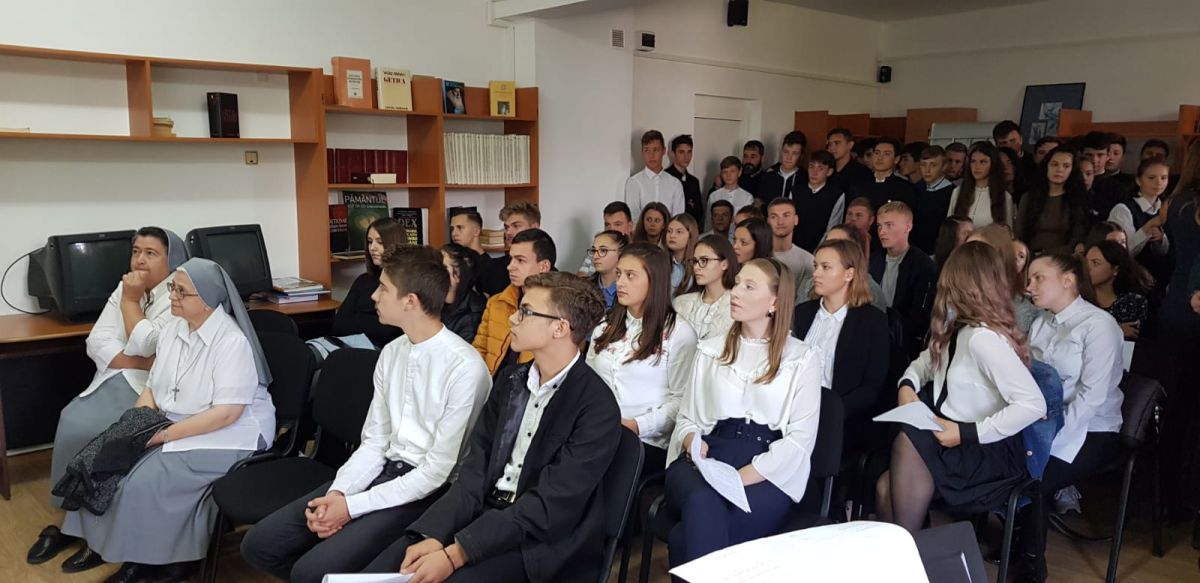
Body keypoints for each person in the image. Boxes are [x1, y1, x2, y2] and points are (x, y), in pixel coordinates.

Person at [241, 247, 491, 583]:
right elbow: (374, 441)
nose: (373, 296)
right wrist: (339, 494)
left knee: (310, 571)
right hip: (381, 470)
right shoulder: (392, 352)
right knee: (260, 544)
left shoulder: (465, 368)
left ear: (410, 301)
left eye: (384, 288)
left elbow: (435, 473)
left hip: (427, 492)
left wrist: (351, 507)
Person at [361, 272, 618, 583]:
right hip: (486, 512)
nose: (512, 319)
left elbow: (548, 506)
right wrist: (435, 534)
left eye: (525, 312)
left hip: (539, 541)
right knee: (389, 567)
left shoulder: (597, 407)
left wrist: (456, 553)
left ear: (560, 328)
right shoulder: (510, 381)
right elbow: (476, 468)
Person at [62, 258, 277, 583]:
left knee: (145, 480)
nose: (172, 296)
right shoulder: (174, 328)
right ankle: (104, 546)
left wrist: (163, 436)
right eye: (173, 288)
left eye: (182, 291)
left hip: (230, 433)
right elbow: (152, 386)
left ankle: (167, 561)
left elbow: (227, 413)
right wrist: (134, 423)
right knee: (107, 458)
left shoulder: (231, 342)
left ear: (207, 300)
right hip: (179, 422)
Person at [29, 227, 189, 573]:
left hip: (153, 390)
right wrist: (136, 358)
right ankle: (69, 519)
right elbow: (97, 340)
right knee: (71, 419)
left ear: (171, 259)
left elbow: (152, 345)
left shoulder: (178, 293)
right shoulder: (125, 286)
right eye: (136, 251)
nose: (140, 260)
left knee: (101, 434)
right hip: (119, 376)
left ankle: (96, 531)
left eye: (151, 253)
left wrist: (131, 304)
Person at [875, 242, 1046, 533]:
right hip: (952, 440)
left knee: (904, 447)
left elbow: (1033, 405)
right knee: (884, 487)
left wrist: (967, 433)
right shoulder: (958, 328)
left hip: (982, 450)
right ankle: (911, 553)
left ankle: (909, 552)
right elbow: (923, 363)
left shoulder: (983, 339)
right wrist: (907, 385)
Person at [666, 258, 820, 566]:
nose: (735, 292)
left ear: (774, 302)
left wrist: (737, 479)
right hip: (706, 457)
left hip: (767, 468)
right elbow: (687, 418)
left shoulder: (802, 358)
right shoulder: (710, 349)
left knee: (684, 536)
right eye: (737, 283)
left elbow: (799, 440)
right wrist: (693, 441)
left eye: (749, 287)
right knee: (703, 500)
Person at [1019, 253, 1124, 583]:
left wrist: (1049, 440)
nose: (1029, 286)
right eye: (1029, 279)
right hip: (1044, 422)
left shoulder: (1098, 325)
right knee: (1001, 460)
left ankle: (1031, 566)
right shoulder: (1041, 323)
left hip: (1093, 428)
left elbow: (1091, 398)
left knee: (1034, 478)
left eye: (1039, 278)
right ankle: (1014, 540)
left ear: (1068, 281)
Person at [588, 243, 697, 472]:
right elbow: (587, 380)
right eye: (619, 274)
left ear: (654, 280)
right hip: (599, 429)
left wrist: (636, 425)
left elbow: (682, 401)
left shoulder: (679, 333)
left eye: (630, 275)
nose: (620, 282)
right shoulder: (605, 326)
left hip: (645, 439)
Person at [794, 239, 889, 429]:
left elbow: (872, 387)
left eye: (826, 267)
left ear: (849, 274)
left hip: (841, 419)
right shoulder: (801, 313)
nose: (816, 273)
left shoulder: (872, 321)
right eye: (816, 266)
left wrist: (832, 412)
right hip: (794, 410)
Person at [473, 228, 555, 376]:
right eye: (511, 259)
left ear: (544, 266)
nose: (510, 266)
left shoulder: (558, 311)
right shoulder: (496, 302)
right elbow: (479, 350)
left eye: (520, 260)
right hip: (491, 383)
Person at [870, 202, 937, 358]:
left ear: (908, 227)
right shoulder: (873, 261)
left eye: (889, 225)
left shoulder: (923, 266)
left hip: (904, 345)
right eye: (879, 226)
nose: (882, 231)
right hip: (873, 334)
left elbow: (920, 317)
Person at [330, 217, 408, 348]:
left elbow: (390, 331)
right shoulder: (363, 280)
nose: (372, 248)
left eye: (380, 242)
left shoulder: (406, 282)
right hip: (346, 344)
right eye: (370, 242)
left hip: (377, 350)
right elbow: (338, 325)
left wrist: (358, 319)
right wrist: (370, 323)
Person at [968, 224, 1042, 334]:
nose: (968, 259)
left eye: (1021, 256)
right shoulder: (958, 295)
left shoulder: (1026, 309)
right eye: (966, 251)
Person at [1015, 147, 1089, 254]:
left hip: (1063, 257)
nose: (1059, 170)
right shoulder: (1029, 198)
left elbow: (1077, 239)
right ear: (1046, 167)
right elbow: (1018, 234)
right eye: (1054, 164)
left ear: (1072, 170)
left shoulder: (1077, 200)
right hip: (1030, 256)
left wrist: (1047, 254)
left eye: (1066, 166)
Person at [673, 235, 738, 341]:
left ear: (724, 264)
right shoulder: (681, 303)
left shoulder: (737, 305)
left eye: (704, 260)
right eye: (695, 261)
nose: (696, 267)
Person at [1086, 240, 1153, 340]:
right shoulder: (1076, 298)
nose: (1087, 268)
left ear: (1116, 270)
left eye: (1095, 263)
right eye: (1085, 262)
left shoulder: (1132, 303)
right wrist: (1115, 329)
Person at [1109, 156, 1171, 258]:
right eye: (1151, 178)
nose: (1159, 182)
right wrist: (1148, 227)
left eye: (1163, 178)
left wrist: (1161, 239)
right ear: (1138, 180)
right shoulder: (1123, 210)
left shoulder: (1165, 207)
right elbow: (1121, 252)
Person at [477, 202, 541, 296]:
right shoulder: (494, 267)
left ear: (534, 228)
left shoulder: (550, 275)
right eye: (506, 227)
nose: (508, 232)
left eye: (516, 226)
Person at [823, 225, 889, 313]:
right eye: (826, 244)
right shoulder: (813, 283)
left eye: (838, 245)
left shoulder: (870, 291)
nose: (828, 250)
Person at [792, 149, 846, 253]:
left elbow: (832, 228)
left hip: (820, 250)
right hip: (794, 248)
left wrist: (819, 251)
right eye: (811, 166)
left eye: (820, 168)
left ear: (829, 172)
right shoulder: (796, 191)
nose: (814, 172)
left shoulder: (836, 195)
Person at [948, 141, 1013, 228]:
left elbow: (1007, 231)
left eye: (983, 162)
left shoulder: (1004, 196)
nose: (977, 166)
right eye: (973, 161)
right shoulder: (957, 192)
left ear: (993, 164)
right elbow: (949, 228)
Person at [626, 129, 684, 218]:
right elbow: (634, 217)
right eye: (647, 150)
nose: (651, 155)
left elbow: (678, 218)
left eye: (656, 150)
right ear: (642, 152)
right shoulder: (634, 182)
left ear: (664, 151)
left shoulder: (675, 184)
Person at [913, 145, 957, 254]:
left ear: (944, 166)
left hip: (938, 250)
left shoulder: (953, 193)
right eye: (923, 165)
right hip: (915, 249)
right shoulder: (915, 189)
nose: (927, 170)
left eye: (933, 165)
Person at [766, 197, 815, 294]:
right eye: (774, 217)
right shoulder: (758, 254)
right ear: (768, 221)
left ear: (795, 220)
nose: (780, 222)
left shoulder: (808, 260)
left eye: (786, 215)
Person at [441, 244, 488, 342]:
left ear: (457, 275)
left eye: (442, 268)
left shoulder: (471, 318)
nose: (434, 272)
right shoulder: (432, 300)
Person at [576, 201, 634, 277]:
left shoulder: (639, 253)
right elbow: (581, 276)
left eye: (617, 224)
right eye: (607, 225)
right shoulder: (597, 250)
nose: (612, 229)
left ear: (630, 226)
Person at [860, 137, 917, 211]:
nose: (880, 158)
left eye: (886, 154)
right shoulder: (859, 185)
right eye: (877, 153)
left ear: (896, 159)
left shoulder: (904, 188)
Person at [1083, 131, 1124, 222]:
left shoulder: (1117, 189)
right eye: (1089, 155)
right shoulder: (1072, 183)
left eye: (1100, 155)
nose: (1094, 160)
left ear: (1108, 156)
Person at [706, 156, 755, 231]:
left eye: (732, 171)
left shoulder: (747, 197)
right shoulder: (714, 196)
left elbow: (749, 223)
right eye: (725, 172)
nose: (728, 175)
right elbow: (708, 221)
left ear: (739, 172)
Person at [665, 134, 705, 226]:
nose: (686, 157)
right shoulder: (664, 177)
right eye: (681, 152)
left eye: (689, 152)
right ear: (673, 154)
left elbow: (698, 212)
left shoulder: (694, 181)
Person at [758, 131, 807, 203]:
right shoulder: (768, 176)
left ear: (801, 156)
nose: (789, 157)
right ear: (781, 151)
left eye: (794, 153)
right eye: (786, 152)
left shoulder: (804, 179)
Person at [993, 120, 1038, 197]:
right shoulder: (993, 163)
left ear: (1021, 140)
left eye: (1012, 141)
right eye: (1003, 143)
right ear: (997, 145)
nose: (1009, 146)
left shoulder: (1033, 162)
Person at [588, 230, 628, 310]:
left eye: (603, 250)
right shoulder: (583, 287)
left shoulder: (630, 291)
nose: (595, 256)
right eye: (594, 251)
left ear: (621, 254)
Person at [826, 127, 872, 193]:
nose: (832, 148)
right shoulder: (826, 170)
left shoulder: (862, 172)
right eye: (830, 144)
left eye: (837, 143)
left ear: (850, 145)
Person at [665, 214, 699, 295]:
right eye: (669, 231)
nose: (672, 236)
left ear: (691, 235)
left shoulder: (698, 265)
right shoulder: (659, 261)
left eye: (679, 232)